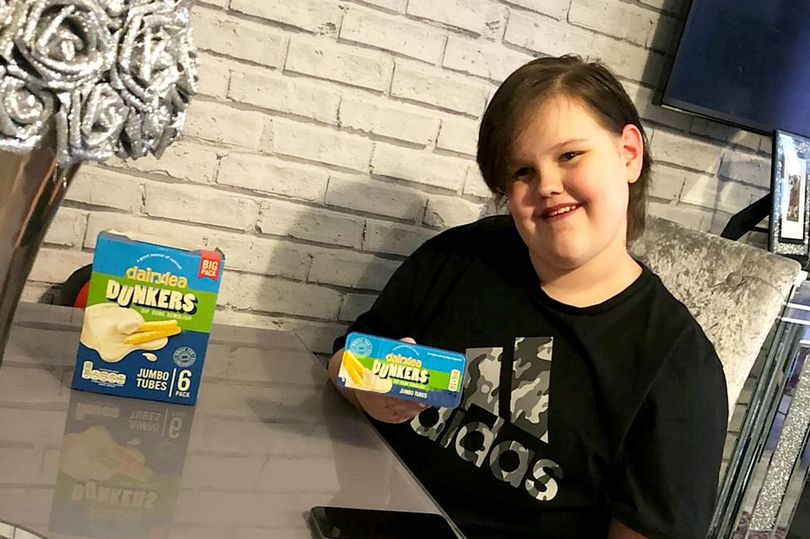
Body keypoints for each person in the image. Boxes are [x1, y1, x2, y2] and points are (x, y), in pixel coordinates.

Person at [327, 55, 728, 539]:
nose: (548, 186)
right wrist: (366, 391)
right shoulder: (461, 256)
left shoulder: (679, 367)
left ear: (628, 153)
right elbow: (344, 360)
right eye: (522, 171)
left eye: (569, 155)